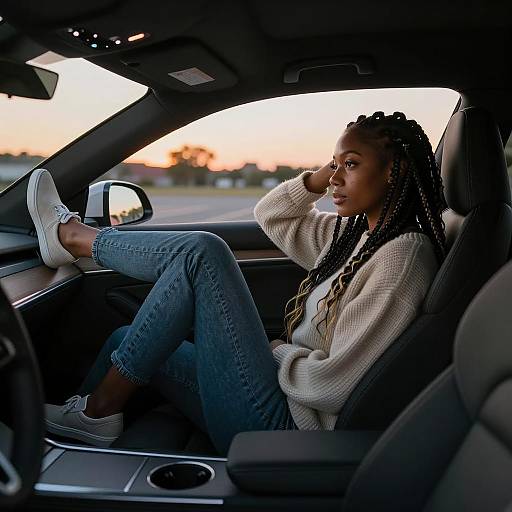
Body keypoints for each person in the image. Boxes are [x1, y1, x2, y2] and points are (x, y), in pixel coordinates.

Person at [29, 111, 445, 455]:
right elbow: (273, 215)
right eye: (334, 165)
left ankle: (73, 237)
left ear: (397, 170)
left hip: (288, 429)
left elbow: (335, 385)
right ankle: (84, 422)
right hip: (278, 400)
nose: (335, 178)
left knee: (202, 253)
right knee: (126, 340)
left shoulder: (399, 259)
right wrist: (321, 177)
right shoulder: (356, 235)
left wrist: (276, 352)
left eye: (351, 165)